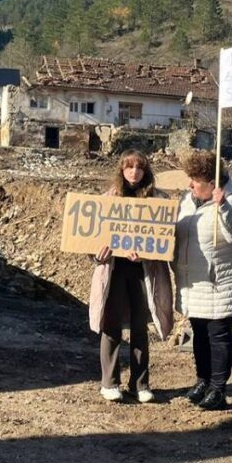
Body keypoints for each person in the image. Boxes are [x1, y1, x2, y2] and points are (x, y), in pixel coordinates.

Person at [89, 150, 174, 404]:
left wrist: (148, 253)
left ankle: (140, 383)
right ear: (121, 170)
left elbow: (167, 243)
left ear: (146, 171)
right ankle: (109, 382)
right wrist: (98, 255)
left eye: (139, 167)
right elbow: (90, 242)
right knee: (111, 326)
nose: (134, 172)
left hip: (143, 273)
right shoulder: (107, 200)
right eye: (129, 167)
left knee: (140, 327)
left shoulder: (159, 201)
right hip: (113, 271)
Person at [174, 150, 232, 411]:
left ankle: (218, 388)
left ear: (212, 183)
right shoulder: (188, 199)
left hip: (219, 284)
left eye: (195, 180)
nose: (190, 184)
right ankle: (202, 380)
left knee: (218, 335)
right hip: (194, 282)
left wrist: (223, 207)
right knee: (199, 335)